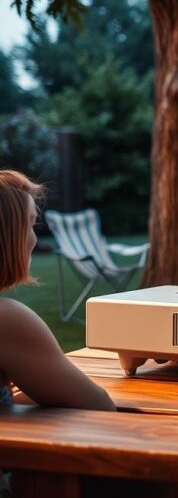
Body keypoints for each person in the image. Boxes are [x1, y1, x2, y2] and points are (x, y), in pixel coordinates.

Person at [0, 170, 116, 413]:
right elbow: (98, 406)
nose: (33, 238)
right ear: (8, 236)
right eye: (31, 224)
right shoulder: (7, 320)